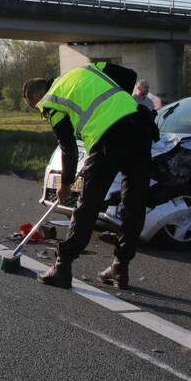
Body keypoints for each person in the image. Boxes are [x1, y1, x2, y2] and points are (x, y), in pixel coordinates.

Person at [22, 61, 157, 290]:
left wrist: (65, 185)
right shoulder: (86, 69)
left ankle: (62, 266)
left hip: (108, 139)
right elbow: (130, 74)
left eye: (34, 106)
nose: (39, 111)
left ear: (37, 94)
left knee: (88, 204)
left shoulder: (51, 100)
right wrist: (118, 107)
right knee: (134, 203)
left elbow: (68, 147)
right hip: (140, 128)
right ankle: (120, 266)